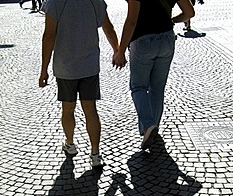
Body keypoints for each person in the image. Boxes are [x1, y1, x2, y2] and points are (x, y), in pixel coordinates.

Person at [39, 0, 119, 167]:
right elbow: (108, 28)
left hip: (65, 67)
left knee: (68, 108)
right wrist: (117, 50)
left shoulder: (54, 2)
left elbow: (49, 35)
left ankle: (70, 143)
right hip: (89, 66)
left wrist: (44, 69)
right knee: (91, 110)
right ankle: (95, 153)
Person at [113, 0, 195, 151]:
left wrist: (121, 50)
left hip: (143, 40)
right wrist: (172, 20)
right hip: (167, 39)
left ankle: (148, 125)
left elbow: (132, 21)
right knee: (157, 89)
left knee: (138, 87)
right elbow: (189, 13)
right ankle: (152, 129)